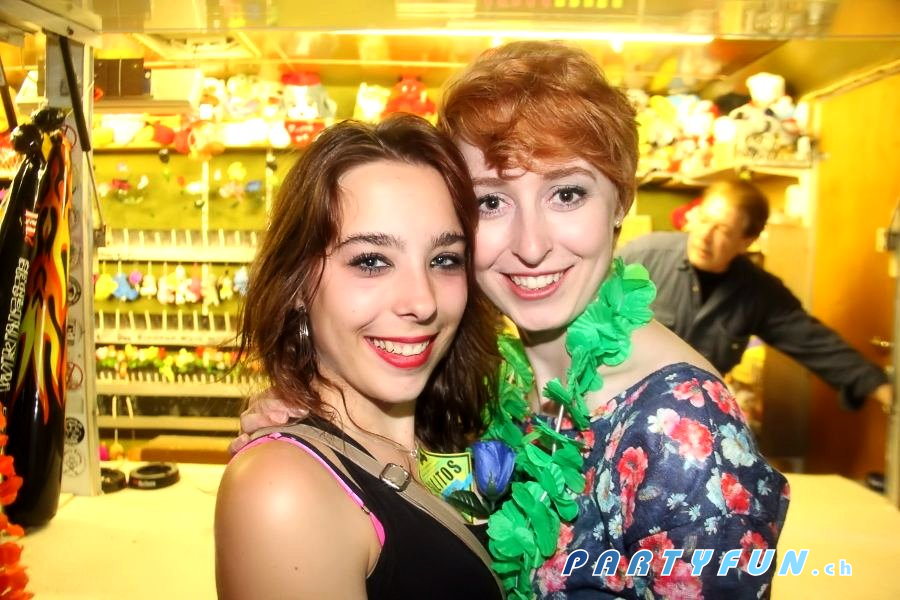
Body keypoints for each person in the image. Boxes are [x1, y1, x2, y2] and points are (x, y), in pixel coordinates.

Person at [233, 42, 789, 599]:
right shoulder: (494, 381)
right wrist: (307, 415)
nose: (531, 245)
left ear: (621, 201)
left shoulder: (681, 430)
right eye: (492, 202)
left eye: (567, 193)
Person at [214, 115, 504, 599]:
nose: (423, 302)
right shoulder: (283, 492)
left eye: (444, 260)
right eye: (371, 261)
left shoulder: (457, 426)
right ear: (297, 284)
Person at [618, 179, 892, 412]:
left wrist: (878, 386)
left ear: (746, 242)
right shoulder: (643, 257)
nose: (705, 236)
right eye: (704, 219)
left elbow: (814, 341)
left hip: (693, 420)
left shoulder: (759, 292)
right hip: (620, 406)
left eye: (723, 230)